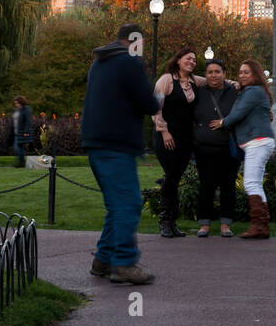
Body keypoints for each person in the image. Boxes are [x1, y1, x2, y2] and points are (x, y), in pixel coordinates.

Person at [82, 24, 163, 284]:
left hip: (96, 142)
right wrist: (159, 96)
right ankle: (124, 263)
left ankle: (103, 259)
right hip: (117, 144)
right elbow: (147, 102)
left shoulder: (100, 63)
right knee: (128, 204)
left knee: (116, 205)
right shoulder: (129, 62)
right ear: (135, 41)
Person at [213, 59, 276, 239]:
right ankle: (262, 226)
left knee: (250, 183)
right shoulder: (253, 91)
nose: (242, 75)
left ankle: (258, 226)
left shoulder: (253, 91)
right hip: (260, 141)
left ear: (255, 74)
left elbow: (238, 113)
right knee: (255, 183)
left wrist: (223, 122)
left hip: (258, 141)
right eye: (240, 72)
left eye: (246, 72)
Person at [151, 48, 204, 238]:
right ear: (178, 60)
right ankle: (165, 220)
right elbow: (155, 107)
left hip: (186, 138)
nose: (192, 61)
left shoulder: (195, 82)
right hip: (166, 136)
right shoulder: (166, 80)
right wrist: (164, 132)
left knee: (174, 178)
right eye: (188, 58)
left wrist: (238, 84)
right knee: (171, 175)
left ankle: (172, 222)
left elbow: (216, 82)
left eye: (194, 60)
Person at [192, 58, 241, 237]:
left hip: (228, 147)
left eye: (217, 71)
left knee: (228, 186)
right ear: (205, 75)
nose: (214, 75)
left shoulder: (234, 91)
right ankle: (204, 224)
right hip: (203, 147)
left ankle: (225, 225)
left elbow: (244, 112)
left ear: (224, 74)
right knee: (206, 185)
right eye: (210, 72)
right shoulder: (199, 92)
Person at [12, 96, 33, 168]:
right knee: (18, 148)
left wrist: (26, 131)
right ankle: (21, 162)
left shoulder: (26, 109)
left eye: (17, 103)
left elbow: (28, 121)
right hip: (16, 132)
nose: (16, 104)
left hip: (22, 132)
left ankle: (21, 162)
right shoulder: (17, 110)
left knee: (18, 148)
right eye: (15, 103)